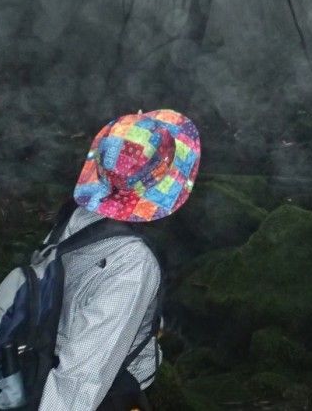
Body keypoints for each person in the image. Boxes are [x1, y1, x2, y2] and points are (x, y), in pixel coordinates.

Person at [39, 109, 200, 411]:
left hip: (43, 360)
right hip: (101, 394)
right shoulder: (133, 264)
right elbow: (81, 376)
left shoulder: (75, 217)